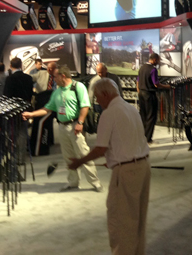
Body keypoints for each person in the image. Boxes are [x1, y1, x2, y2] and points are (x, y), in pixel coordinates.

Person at [68, 78, 150, 255]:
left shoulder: (108, 113)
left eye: (97, 97)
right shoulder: (131, 109)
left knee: (121, 220)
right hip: (143, 166)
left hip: (126, 172)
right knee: (138, 219)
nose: (97, 102)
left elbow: (100, 149)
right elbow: (130, 139)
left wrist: (79, 162)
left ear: (105, 94)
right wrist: (113, 158)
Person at [23, 65, 103, 192]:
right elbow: (47, 109)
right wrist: (31, 114)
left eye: (55, 77)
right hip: (62, 127)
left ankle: (95, 182)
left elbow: (85, 106)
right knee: (68, 156)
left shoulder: (78, 87)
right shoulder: (57, 92)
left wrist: (80, 122)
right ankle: (73, 182)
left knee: (83, 154)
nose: (54, 79)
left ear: (63, 76)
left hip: (75, 126)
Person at [137, 53, 171, 143]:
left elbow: (137, 81)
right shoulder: (153, 69)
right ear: (155, 60)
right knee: (151, 116)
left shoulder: (142, 67)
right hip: (149, 95)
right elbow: (156, 84)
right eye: (158, 60)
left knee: (143, 116)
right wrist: (167, 87)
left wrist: (139, 91)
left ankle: (142, 137)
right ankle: (147, 138)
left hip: (141, 94)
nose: (159, 62)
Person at [30, 61, 58, 156]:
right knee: (42, 122)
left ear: (55, 69)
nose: (49, 69)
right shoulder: (41, 73)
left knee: (49, 122)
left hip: (54, 99)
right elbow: (31, 78)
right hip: (42, 99)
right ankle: (42, 143)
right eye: (48, 68)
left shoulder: (58, 76)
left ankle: (49, 140)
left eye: (51, 68)